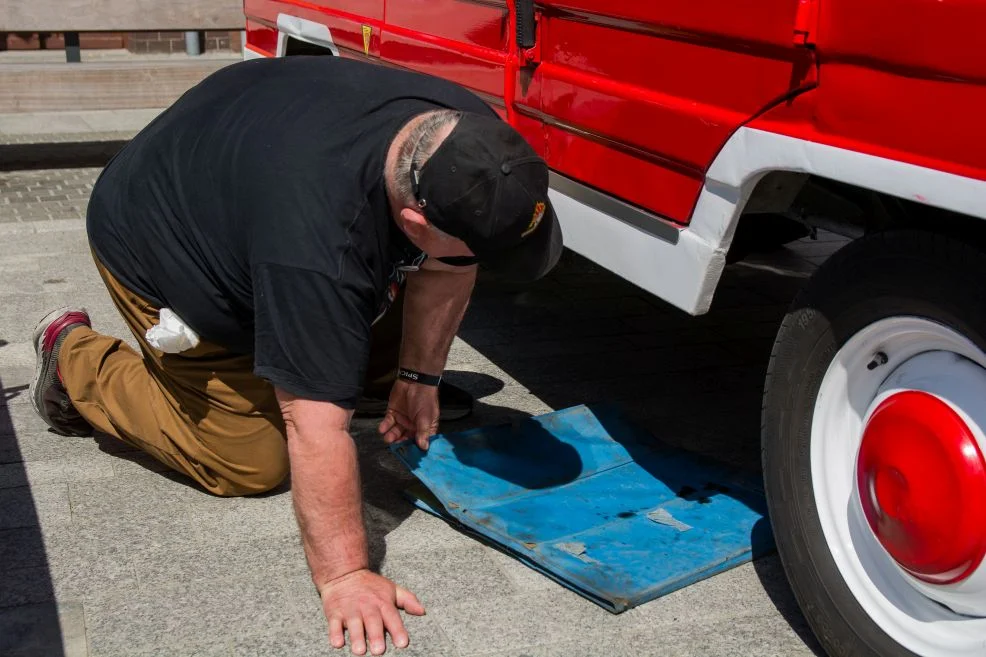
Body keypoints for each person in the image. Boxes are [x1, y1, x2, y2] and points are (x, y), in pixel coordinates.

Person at [28, 56, 562, 655]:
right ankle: (73, 357)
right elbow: (314, 430)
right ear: (414, 219)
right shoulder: (318, 248)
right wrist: (345, 576)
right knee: (252, 461)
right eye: (482, 252)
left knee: (352, 345)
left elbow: (450, 263)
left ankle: (336, 363)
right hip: (159, 242)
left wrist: (419, 376)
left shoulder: (471, 146)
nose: (484, 266)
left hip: (249, 185)